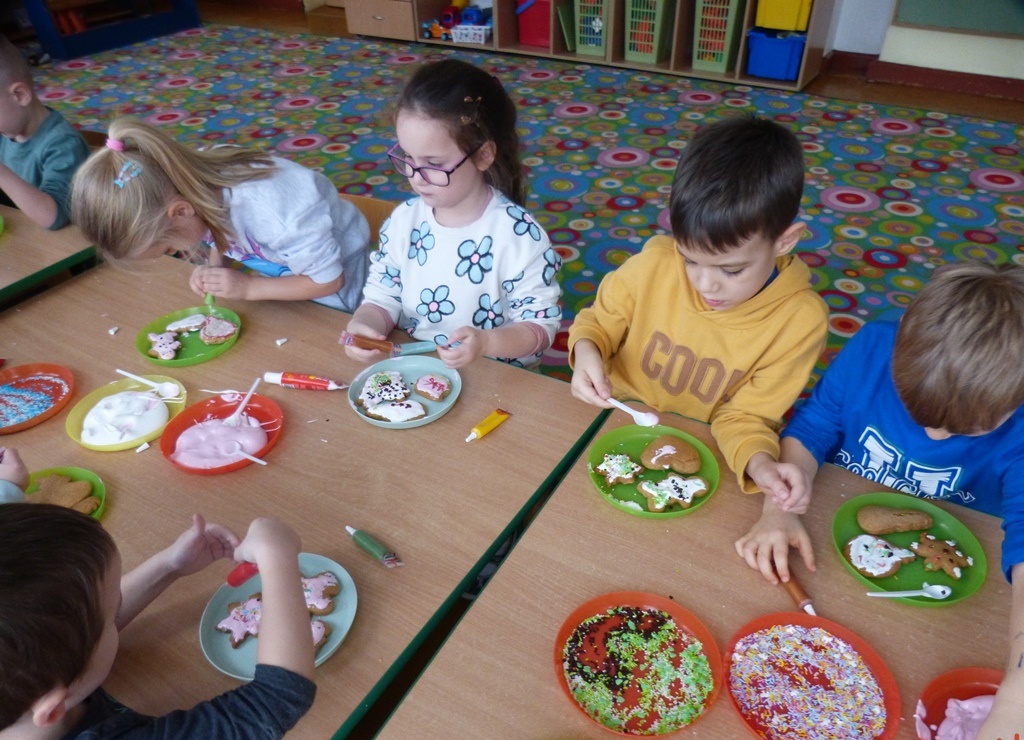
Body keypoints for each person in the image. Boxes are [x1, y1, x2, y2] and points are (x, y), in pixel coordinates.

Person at [729, 262, 1024, 740]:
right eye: (915, 410)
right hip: (832, 535)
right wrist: (779, 508)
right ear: (901, 343)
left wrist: (1017, 695)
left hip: (947, 591)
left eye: (966, 430)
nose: (934, 436)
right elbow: (815, 426)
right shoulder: (871, 347)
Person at [568, 114, 828, 499]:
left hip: (705, 452)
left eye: (731, 269)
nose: (704, 284)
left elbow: (747, 418)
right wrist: (587, 350)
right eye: (689, 259)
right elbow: (597, 325)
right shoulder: (652, 267)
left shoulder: (799, 323)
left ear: (784, 241)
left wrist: (760, 464)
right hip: (609, 421)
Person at [0, 491, 317, 740]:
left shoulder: (28, 688)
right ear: (52, 708)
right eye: (113, 610)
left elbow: (77, 633)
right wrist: (277, 556)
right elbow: (275, 699)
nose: (117, 610)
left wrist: (169, 566)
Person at [343, 58, 562, 369]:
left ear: (483, 155)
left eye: (434, 164)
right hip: (421, 368)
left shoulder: (519, 237)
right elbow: (382, 295)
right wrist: (365, 325)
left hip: (497, 375)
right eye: (408, 157)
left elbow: (540, 328)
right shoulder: (404, 221)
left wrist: (486, 343)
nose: (416, 176)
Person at [70, 116, 370, 311]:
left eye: (171, 248)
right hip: (289, 275)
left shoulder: (274, 214)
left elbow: (329, 281)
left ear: (181, 211)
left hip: (343, 286)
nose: (181, 252)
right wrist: (215, 267)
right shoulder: (188, 187)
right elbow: (215, 229)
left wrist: (249, 288)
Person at [0, 34, 89, 230]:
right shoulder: (7, 133)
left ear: (19, 95)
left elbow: (53, 217)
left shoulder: (64, 144)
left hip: (74, 244)